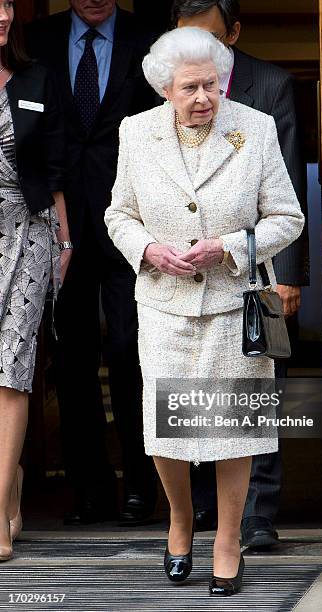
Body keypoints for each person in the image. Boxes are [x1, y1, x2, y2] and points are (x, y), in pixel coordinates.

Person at [105, 27, 304, 596]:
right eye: (190, 87)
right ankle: (181, 520)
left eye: (211, 85)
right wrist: (146, 249)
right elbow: (118, 214)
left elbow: (286, 219)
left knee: (232, 429)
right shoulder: (136, 133)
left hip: (232, 303)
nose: (203, 98)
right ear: (165, 88)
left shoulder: (256, 128)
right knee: (167, 430)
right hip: (164, 304)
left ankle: (227, 540)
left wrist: (230, 247)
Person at [172, 0, 309, 548]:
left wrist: (290, 275)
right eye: (184, 42)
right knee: (195, 384)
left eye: (209, 40)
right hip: (190, 273)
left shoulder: (271, 85)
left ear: (233, 32)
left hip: (261, 265)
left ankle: (259, 513)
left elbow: (291, 185)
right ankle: (203, 506)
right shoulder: (169, 85)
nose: (197, 54)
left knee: (257, 384)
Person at [24, 1, 158, 525]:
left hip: (134, 220)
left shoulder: (149, 37)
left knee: (132, 350)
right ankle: (89, 490)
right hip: (59, 221)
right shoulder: (37, 40)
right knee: (73, 357)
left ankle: (141, 486)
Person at [0, 0, 70, 562]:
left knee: (12, 371)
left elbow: (53, 167)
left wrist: (64, 241)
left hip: (26, 231)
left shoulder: (35, 78)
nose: (1, 15)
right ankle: (11, 482)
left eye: (4, 4)